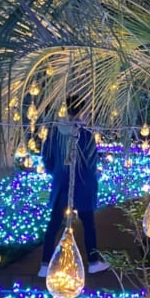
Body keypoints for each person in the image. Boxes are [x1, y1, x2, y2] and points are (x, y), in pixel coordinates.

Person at [38, 96, 109, 278]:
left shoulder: (55, 133)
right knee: (88, 223)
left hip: (62, 183)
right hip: (83, 185)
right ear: (82, 111)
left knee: (54, 224)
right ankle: (93, 262)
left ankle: (45, 264)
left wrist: (56, 172)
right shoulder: (85, 134)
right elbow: (91, 163)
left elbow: (46, 158)